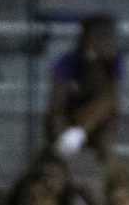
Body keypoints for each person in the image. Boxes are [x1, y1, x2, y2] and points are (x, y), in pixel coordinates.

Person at [45, 12, 120, 161]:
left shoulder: (114, 62)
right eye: (101, 36)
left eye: (109, 36)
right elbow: (57, 104)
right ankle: (69, 140)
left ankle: (75, 136)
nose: (107, 41)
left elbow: (112, 99)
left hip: (96, 122)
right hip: (68, 114)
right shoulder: (67, 62)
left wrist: (97, 65)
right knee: (58, 122)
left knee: (107, 111)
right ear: (87, 38)